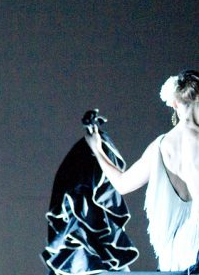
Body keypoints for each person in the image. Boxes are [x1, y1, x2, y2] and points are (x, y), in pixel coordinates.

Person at [85, 70, 199, 271]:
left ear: (174, 103)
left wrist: (97, 149)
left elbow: (122, 184)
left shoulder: (160, 146)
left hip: (176, 254)